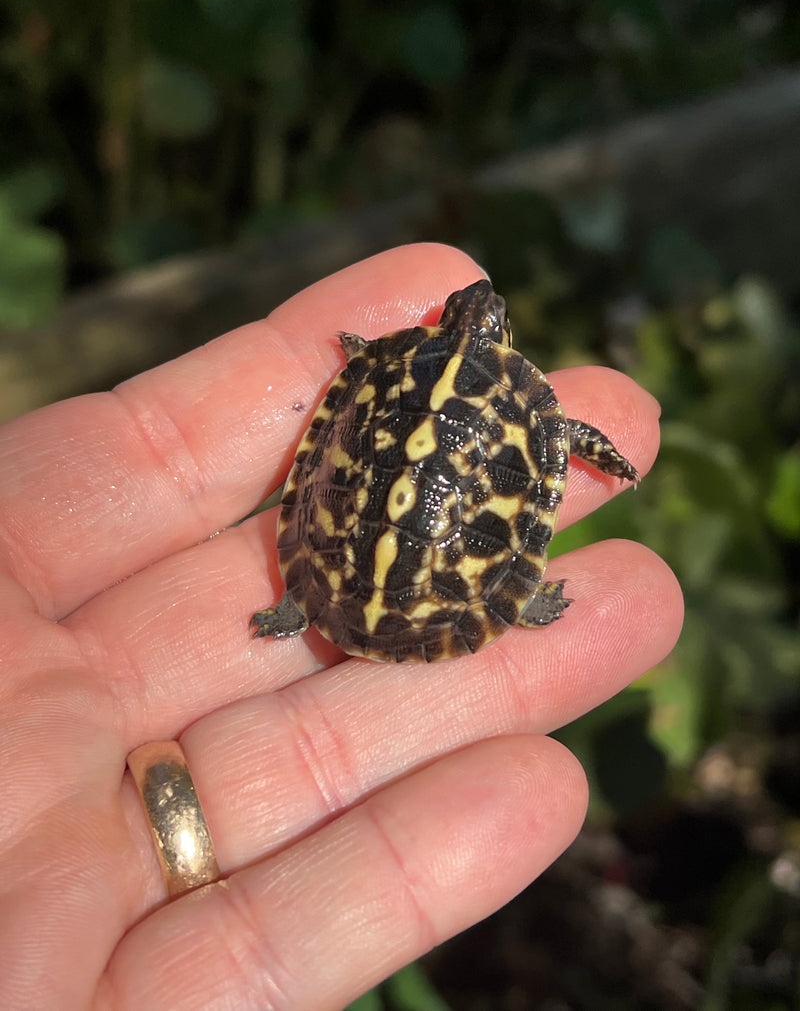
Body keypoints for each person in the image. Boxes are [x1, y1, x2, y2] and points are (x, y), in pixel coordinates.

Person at [0, 244, 682, 1010]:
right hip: (446, 596)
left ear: (451, 321)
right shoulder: (532, 407)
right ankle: (512, 602)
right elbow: (565, 440)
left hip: (334, 567)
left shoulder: (385, 362)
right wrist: (605, 455)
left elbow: (348, 408)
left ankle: (304, 600)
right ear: (504, 335)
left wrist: (368, 360)